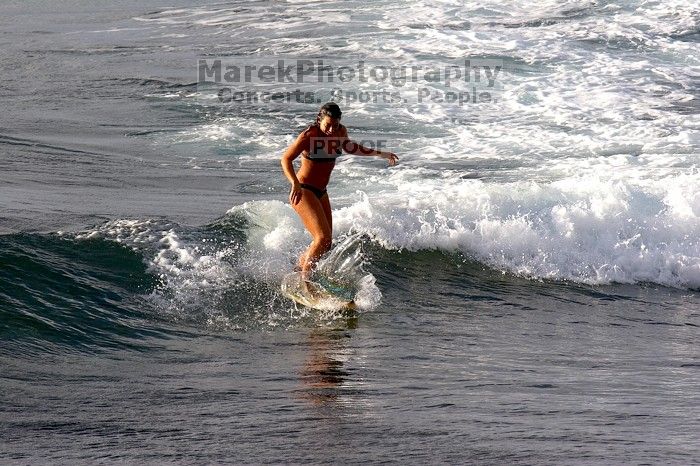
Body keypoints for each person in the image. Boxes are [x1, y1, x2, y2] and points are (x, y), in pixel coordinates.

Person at [281, 102, 398, 288]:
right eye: (328, 124)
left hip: (321, 192)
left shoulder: (340, 132)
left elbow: (351, 147)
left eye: (335, 125)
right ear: (320, 119)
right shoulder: (309, 135)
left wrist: (381, 153)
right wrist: (294, 182)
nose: (331, 129)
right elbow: (286, 159)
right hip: (304, 190)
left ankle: (298, 269)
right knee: (322, 239)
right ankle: (306, 283)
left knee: (326, 243)